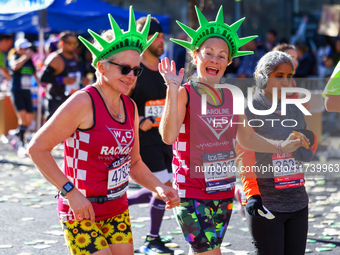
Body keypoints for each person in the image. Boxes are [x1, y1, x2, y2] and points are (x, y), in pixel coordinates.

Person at [27, 6, 180, 255]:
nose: (131, 76)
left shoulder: (129, 106)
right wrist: (70, 193)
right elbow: (37, 148)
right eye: (124, 69)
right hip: (81, 210)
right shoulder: (82, 102)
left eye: (136, 70)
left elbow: (135, 163)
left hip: (116, 208)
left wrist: (159, 187)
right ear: (101, 66)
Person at [158, 6, 305, 255]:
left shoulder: (231, 95)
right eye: (208, 53)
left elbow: (247, 138)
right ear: (195, 56)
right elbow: (168, 136)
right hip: (193, 192)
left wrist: (281, 146)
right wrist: (172, 90)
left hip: (223, 190)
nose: (214, 60)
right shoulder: (184, 93)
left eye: (221, 55)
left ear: (228, 62)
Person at [237, 51, 318, 255]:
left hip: (298, 201)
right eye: (279, 76)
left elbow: (308, 147)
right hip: (266, 203)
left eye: (289, 76)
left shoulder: (295, 107)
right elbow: (244, 154)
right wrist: (252, 194)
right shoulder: (250, 109)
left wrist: (309, 142)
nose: (285, 81)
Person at [126, 16, 175, 255]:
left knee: (163, 187)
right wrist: (138, 120)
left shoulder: (165, 69)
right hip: (144, 143)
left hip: (166, 140)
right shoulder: (135, 72)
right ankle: (152, 239)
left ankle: (119, 202)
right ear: (145, 39)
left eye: (163, 36)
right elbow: (119, 104)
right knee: (164, 186)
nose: (161, 41)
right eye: (157, 36)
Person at [40, 31, 84, 120]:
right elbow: (43, 77)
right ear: (62, 43)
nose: (74, 46)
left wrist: (82, 79)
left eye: (76, 43)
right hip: (56, 100)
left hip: (70, 99)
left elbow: (75, 74)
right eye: (71, 43)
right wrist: (62, 80)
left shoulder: (74, 57)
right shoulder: (55, 59)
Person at [8, 38, 40, 153]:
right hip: (17, 91)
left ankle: (16, 134)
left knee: (29, 120)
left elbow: (35, 73)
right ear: (18, 49)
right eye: (24, 48)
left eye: (28, 48)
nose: (27, 50)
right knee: (23, 119)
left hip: (27, 91)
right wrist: (25, 57)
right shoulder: (15, 57)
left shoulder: (29, 61)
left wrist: (41, 84)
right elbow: (14, 67)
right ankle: (21, 143)